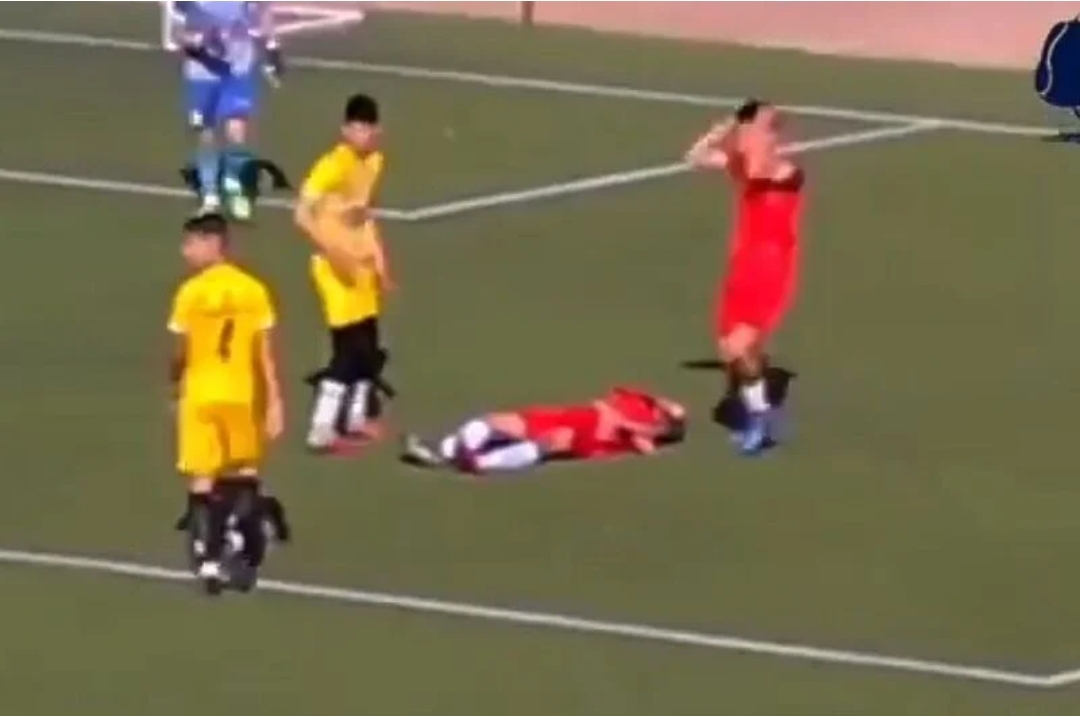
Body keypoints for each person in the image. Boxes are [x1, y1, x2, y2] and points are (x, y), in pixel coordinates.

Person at [167, 213, 285, 594]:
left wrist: (174, 383)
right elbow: (265, 353)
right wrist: (275, 401)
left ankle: (208, 556)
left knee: (203, 475)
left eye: (191, 243)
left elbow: (180, 351)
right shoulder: (254, 290)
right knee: (244, 471)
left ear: (212, 243)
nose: (185, 252)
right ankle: (241, 544)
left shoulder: (190, 293)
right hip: (241, 393)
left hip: (200, 394)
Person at [685, 99, 805, 455]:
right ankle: (760, 408)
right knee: (729, 349)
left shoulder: (782, 170)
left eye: (754, 131)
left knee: (739, 346)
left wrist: (751, 131)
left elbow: (755, 170)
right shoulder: (746, 162)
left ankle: (764, 421)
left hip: (770, 266)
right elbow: (694, 157)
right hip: (743, 263)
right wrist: (722, 129)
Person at [294, 93, 394, 454]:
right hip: (334, 269)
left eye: (368, 128)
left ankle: (354, 418)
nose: (363, 134)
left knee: (369, 342)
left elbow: (364, 216)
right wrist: (334, 251)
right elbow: (301, 214)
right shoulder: (331, 166)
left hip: (361, 266)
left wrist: (380, 261)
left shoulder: (375, 163)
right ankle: (321, 427)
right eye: (357, 128)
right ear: (345, 130)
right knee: (349, 347)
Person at [402, 387, 687, 476]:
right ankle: (445, 451)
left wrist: (635, 426)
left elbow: (645, 447)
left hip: (582, 434)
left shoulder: (648, 432)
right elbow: (611, 398)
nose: (670, 406)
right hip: (562, 415)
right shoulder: (640, 400)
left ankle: (479, 462)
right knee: (493, 422)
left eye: (673, 414)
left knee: (548, 444)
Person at [174, 1, 283, 219]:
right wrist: (198, 45)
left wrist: (273, 48)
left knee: (236, 132)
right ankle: (210, 196)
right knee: (206, 135)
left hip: (237, 70)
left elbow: (263, 8)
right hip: (202, 73)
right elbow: (178, 28)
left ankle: (236, 191)